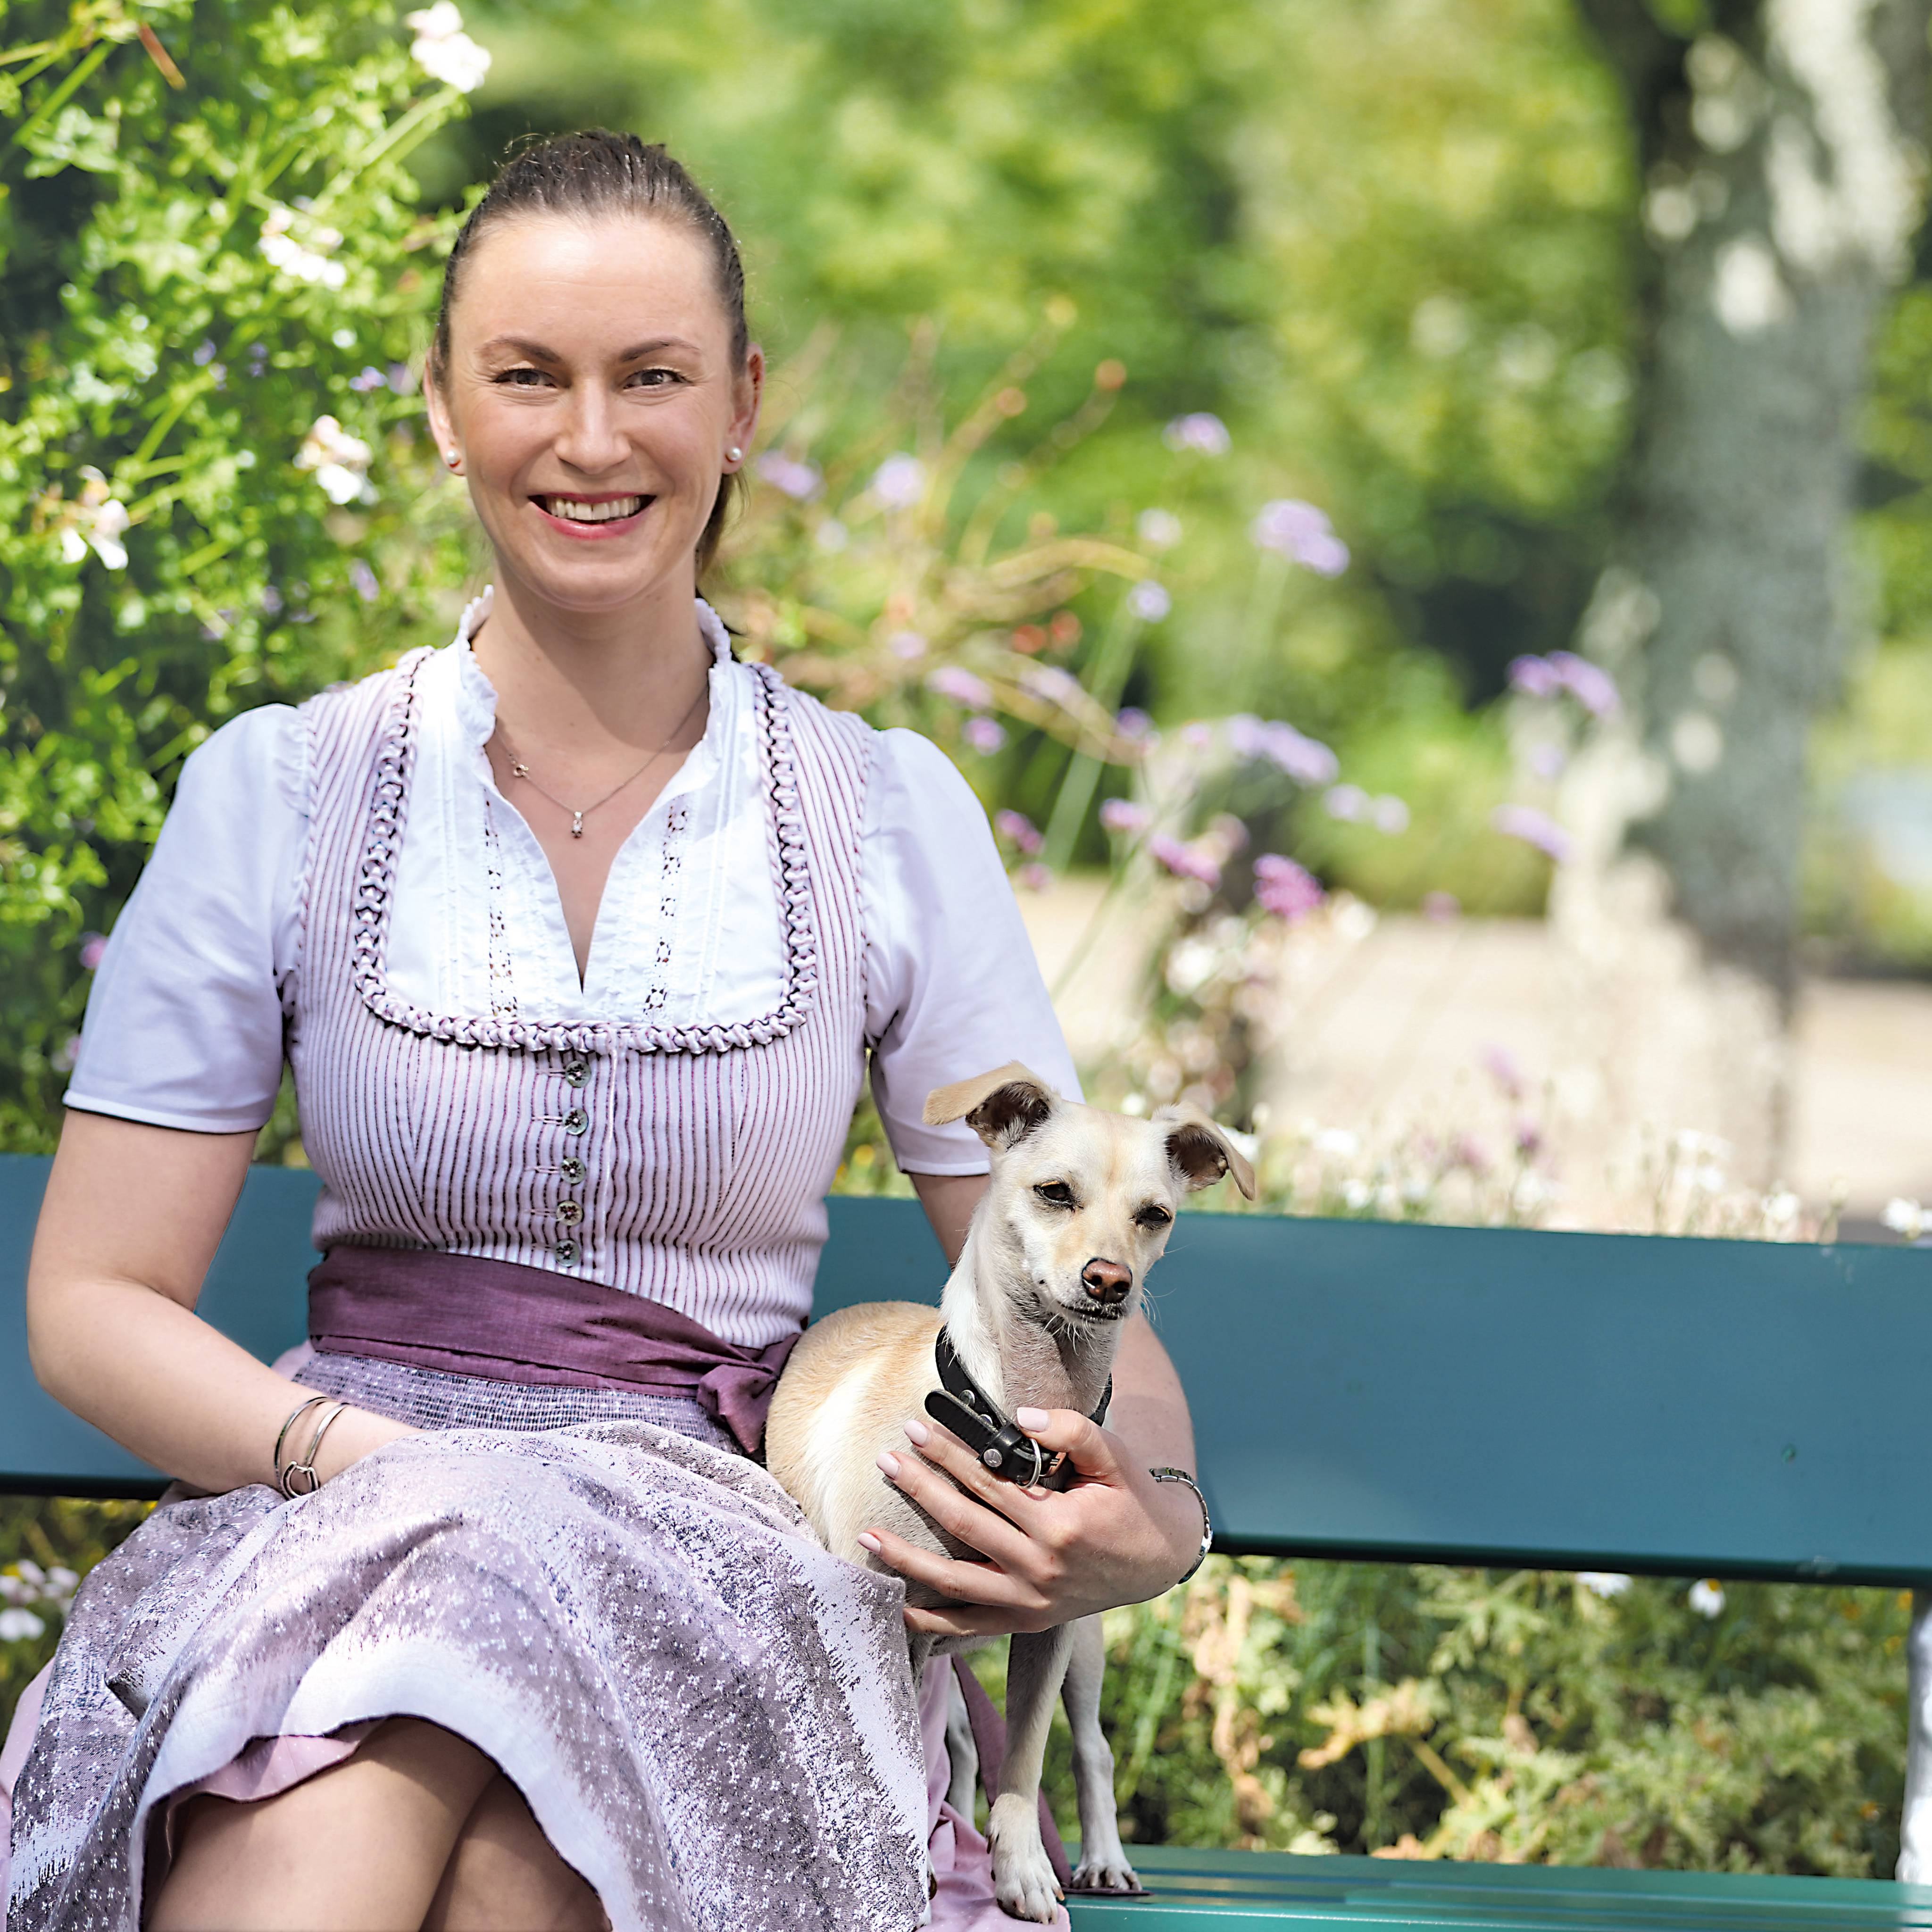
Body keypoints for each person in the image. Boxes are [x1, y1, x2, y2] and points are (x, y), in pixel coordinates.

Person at [3, 131, 1208, 1932]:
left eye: (652, 377)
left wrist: (1156, 1518)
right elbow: (91, 1304)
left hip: (707, 1546)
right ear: (440, 407)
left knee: (481, 1814)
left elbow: (1060, 1254)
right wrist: (388, 1474)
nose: (590, 439)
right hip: (343, 1500)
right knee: (410, 1732)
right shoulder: (283, 793)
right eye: (527, 377)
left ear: (740, 409)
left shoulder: (882, 816)